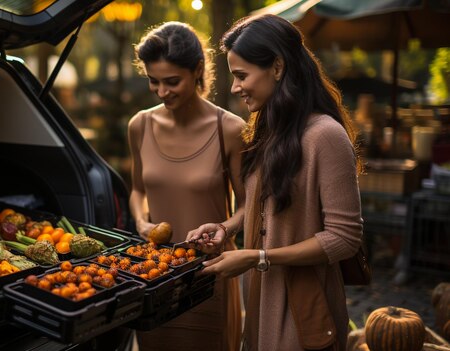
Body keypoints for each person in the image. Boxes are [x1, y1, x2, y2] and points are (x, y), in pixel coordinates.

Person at [187, 14, 364, 351]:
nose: (236, 87)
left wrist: (259, 257)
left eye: (242, 76)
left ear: (278, 68)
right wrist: (228, 226)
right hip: (260, 295)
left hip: (301, 307)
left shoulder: (325, 135)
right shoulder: (268, 128)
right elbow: (262, 203)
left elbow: (344, 238)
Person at [127, 21, 245, 351]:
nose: (162, 92)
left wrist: (225, 227)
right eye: (154, 81)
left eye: (172, 82)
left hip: (209, 276)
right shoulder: (140, 125)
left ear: (196, 71)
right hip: (154, 276)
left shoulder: (230, 129)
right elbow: (137, 189)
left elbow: (250, 206)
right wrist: (140, 220)